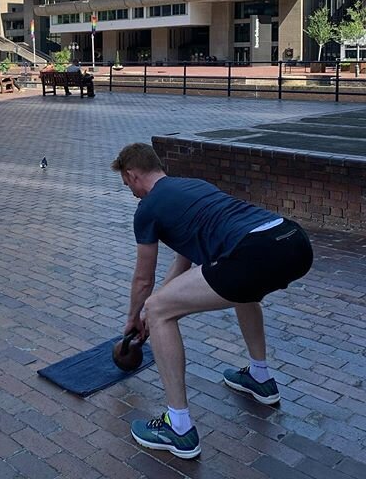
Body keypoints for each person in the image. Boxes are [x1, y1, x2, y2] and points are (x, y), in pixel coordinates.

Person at [110, 143, 313, 460]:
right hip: (292, 241)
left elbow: (142, 280)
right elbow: (183, 263)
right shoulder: (193, 186)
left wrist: (136, 317)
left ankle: (178, 428)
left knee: (162, 309)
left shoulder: (147, 209)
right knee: (240, 288)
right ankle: (260, 378)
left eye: (127, 185)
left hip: (253, 252)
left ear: (132, 175)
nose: (131, 192)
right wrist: (154, 309)